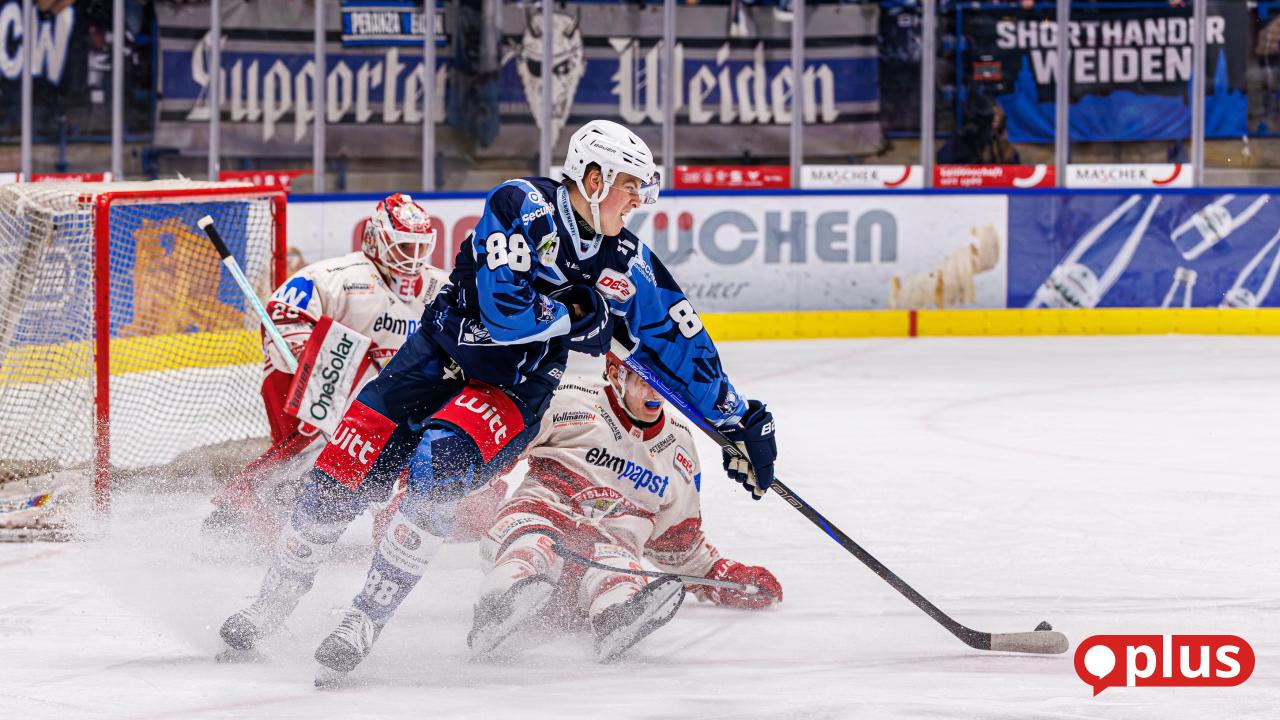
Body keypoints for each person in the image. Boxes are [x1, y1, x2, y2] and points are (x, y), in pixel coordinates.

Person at [216, 119, 779, 684]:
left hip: (512, 389)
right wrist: (573, 314)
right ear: (592, 176)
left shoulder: (627, 262)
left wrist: (737, 419)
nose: (638, 198)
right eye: (629, 183)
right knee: (338, 471)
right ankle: (273, 602)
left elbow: (679, 339)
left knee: (438, 471)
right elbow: (503, 312)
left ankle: (363, 617)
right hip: (431, 359)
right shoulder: (520, 204)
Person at [469, 354, 781, 662]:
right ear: (615, 373)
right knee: (533, 546)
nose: (656, 391)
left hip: (602, 557)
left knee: (622, 570)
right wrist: (471, 492)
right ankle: (497, 607)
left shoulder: (679, 445)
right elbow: (492, 450)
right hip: (532, 521)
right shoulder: (566, 400)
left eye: (664, 381)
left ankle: (616, 619)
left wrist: (720, 576)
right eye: (645, 379)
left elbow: (677, 541)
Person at [204, 193, 450, 539]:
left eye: (417, 247)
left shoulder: (439, 288)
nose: (412, 258)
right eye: (402, 247)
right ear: (377, 240)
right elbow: (284, 312)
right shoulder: (341, 276)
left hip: (381, 395)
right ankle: (244, 508)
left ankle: (307, 515)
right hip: (309, 382)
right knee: (315, 447)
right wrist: (314, 364)